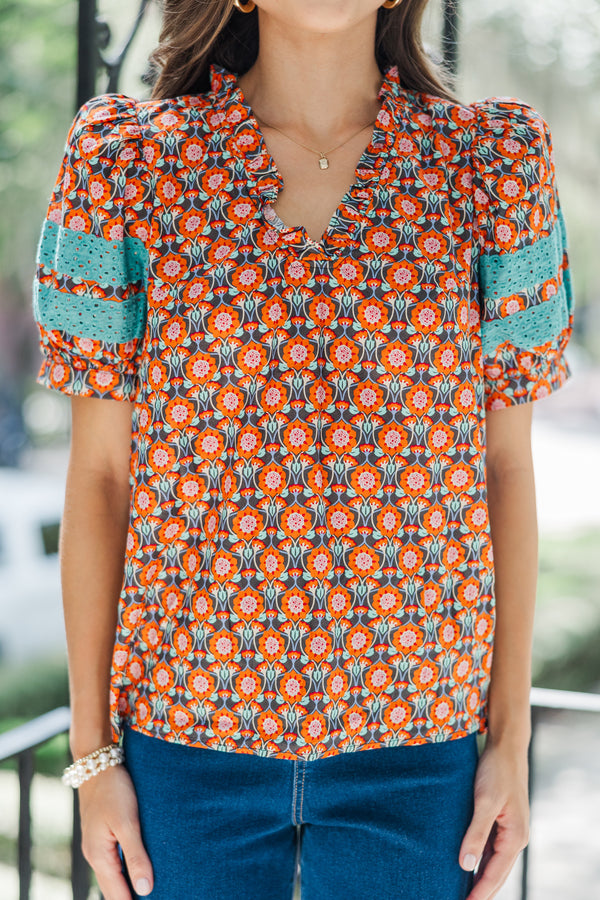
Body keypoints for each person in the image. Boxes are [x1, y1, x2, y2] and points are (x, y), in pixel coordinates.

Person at [31, 0, 575, 898]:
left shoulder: (495, 167)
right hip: (185, 738)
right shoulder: (127, 161)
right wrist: (93, 760)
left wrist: (508, 739)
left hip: (418, 740)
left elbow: (505, 470)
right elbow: (100, 478)